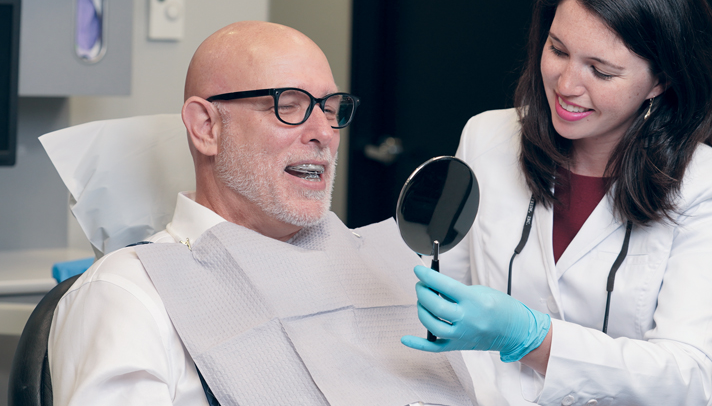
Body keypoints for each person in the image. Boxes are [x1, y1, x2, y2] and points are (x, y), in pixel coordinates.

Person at [48, 22, 475, 406]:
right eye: (289, 105)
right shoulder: (131, 294)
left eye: (330, 108)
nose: (324, 133)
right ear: (206, 127)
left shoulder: (383, 269)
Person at [400, 0, 712, 405]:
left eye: (601, 71)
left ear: (659, 81)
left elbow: (688, 378)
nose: (566, 85)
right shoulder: (486, 137)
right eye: (558, 50)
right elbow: (444, 298)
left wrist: (531, 338)